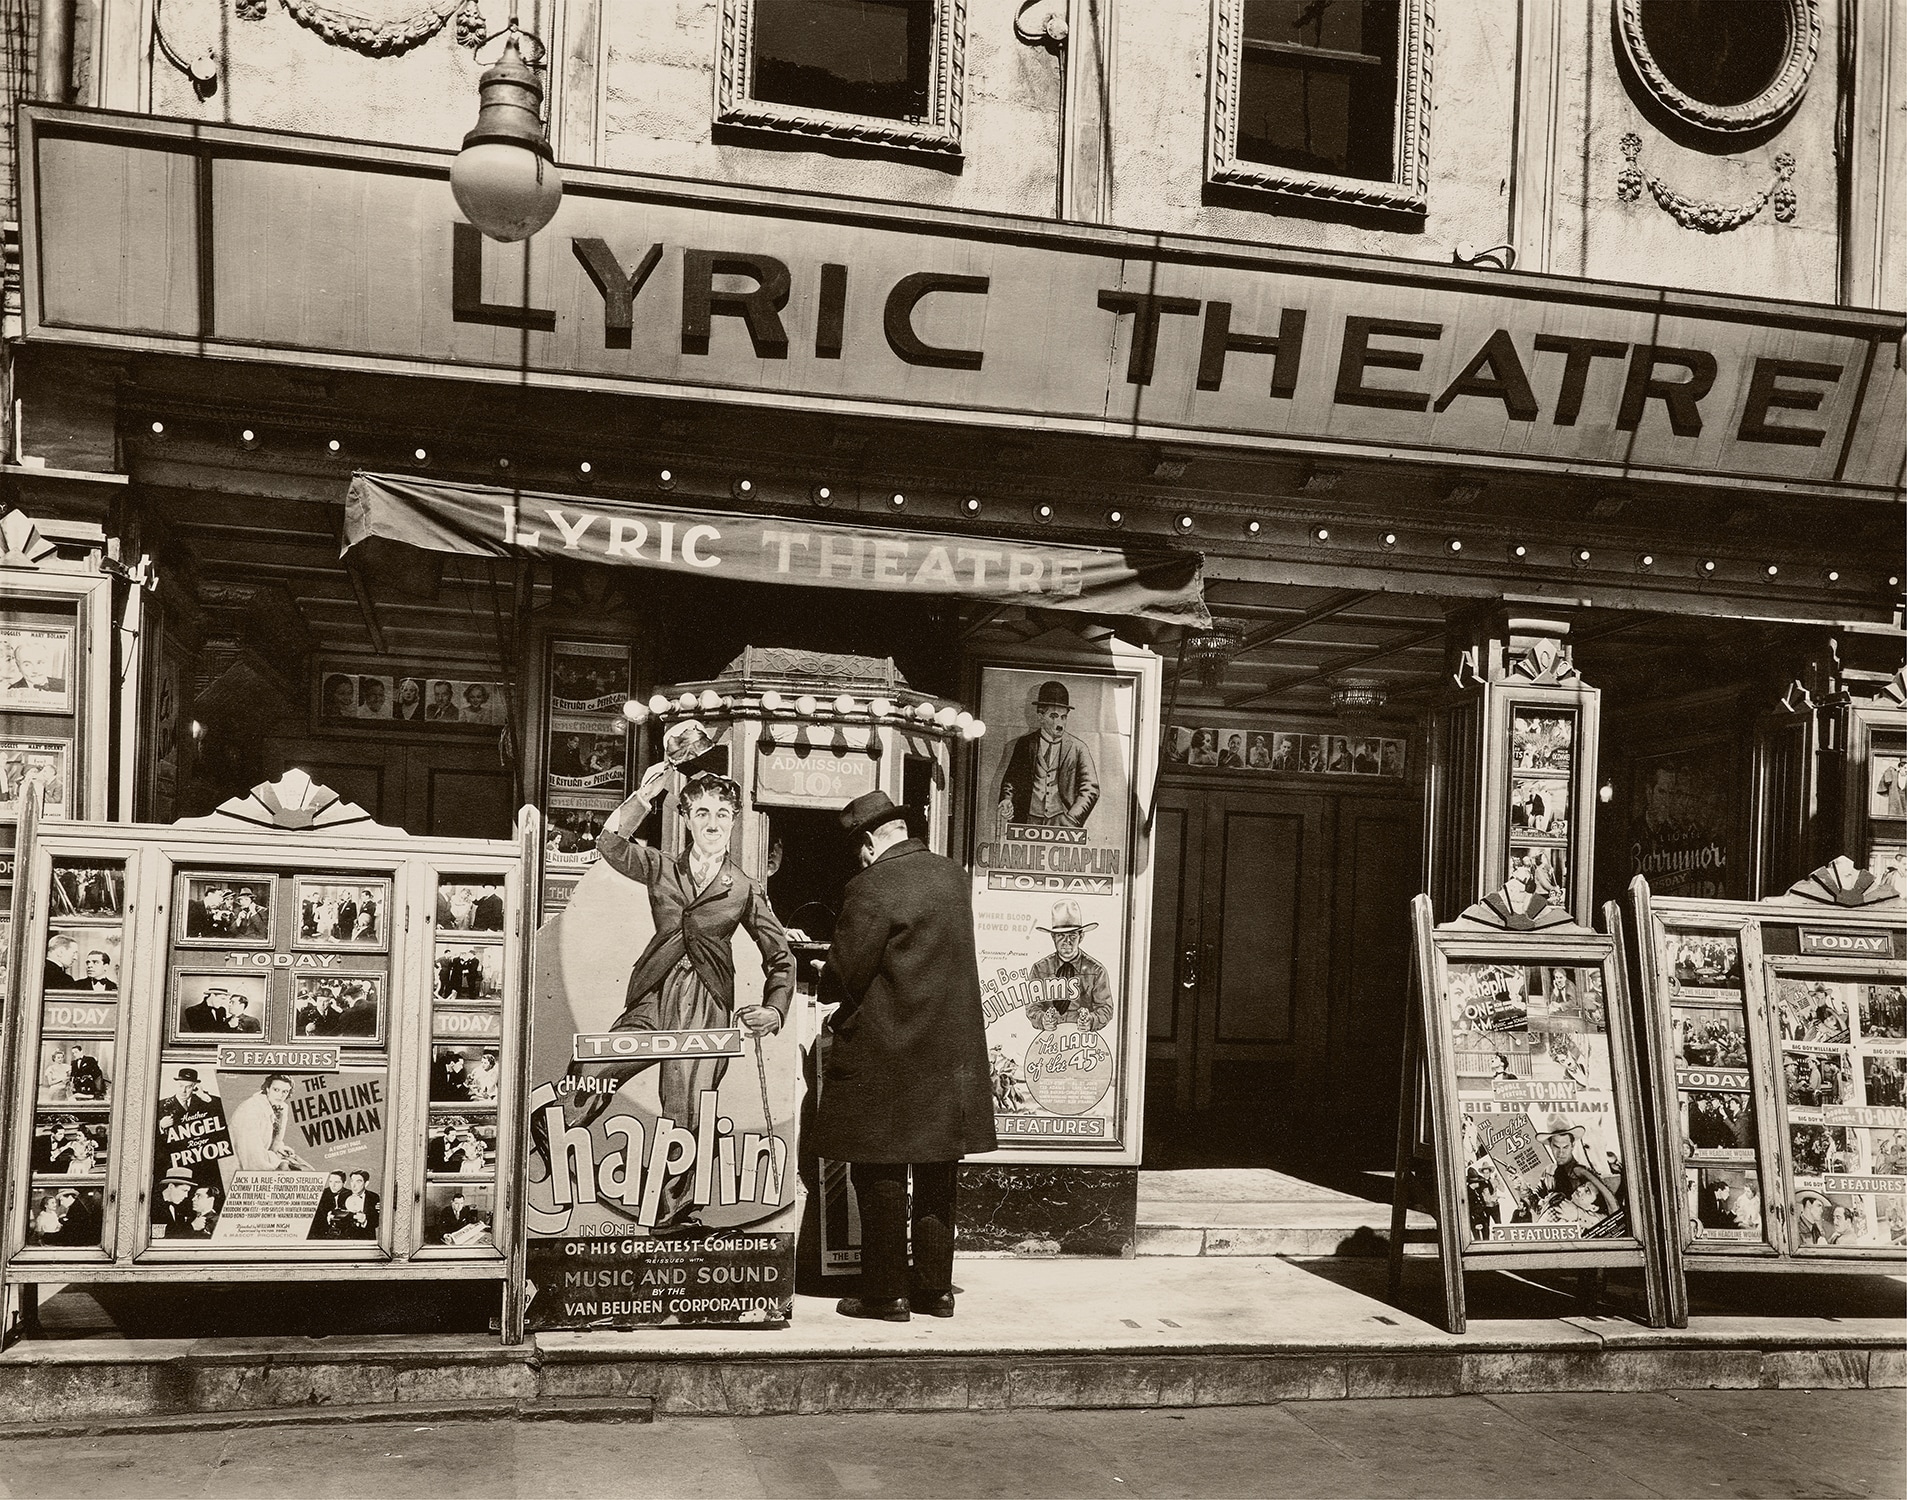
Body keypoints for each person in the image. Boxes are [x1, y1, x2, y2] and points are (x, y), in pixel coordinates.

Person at [543, 758, 794, 1234]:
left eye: (722, 813)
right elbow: (610, 845)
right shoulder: (660, 867)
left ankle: (672, 1217)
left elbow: (781, 956)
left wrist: (774, 1009)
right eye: (702, 812)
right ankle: (553, 1137)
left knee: (688, 1111)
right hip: (653, 994)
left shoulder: (743, 888)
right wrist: (642, 799)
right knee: (596, 1067)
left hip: (706, 1002)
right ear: (685, 818)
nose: (712, 823)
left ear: (734, 819)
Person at [812, 790, 997, 1323]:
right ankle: (935, 1291)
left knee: (880, 1173)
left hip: (888, 1055)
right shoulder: (952, 876)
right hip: (950, 1056)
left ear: (868, 843)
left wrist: (827, 985)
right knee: (938, 1172)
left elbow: (845, 975)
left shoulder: (870, 885)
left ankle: (884, 1295)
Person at [995, 681, 1099, 831]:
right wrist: (1006, 799)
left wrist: (1072, 818)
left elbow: (1091, 788)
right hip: (1028, 820)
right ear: (1040, 717)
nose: (1060, 724)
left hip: (1062, 821)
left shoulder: (1078, 748)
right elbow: (1012, 779)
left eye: (1064, 717)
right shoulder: (1025, 744)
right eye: (1054, 716)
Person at [1023, 900, 1114, 1032]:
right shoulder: (1039, 969)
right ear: (1053, 937)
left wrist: (1091, 1020)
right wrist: (1042, 1020)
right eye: (1061, 936)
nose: (1067, 942)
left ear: (1081, 937)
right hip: (1047, 1040)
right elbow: (1032, 1007)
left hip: (1084, 1041)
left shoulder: (1097, 971)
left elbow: (1105, 1008)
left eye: (1072, 935)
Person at [228, 1074, 309, 1171]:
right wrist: (278, 1161)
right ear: (267, 1089)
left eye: (285, 1091)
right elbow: (252, 1157)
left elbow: (273, 1141)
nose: (280, 1095)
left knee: (308, 1169)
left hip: (264, 1159)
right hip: (238, 1166)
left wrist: (278, 1148)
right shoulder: (251, 1109)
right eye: (276, 1090)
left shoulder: (281, 1108)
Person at [334, 1170, 379, 1238]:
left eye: (358, 1181)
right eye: (352, 1181)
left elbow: (376, 1221)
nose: (354, 1185)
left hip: (365, 1238)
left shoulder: (373, 1197)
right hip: (346, 1238)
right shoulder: (343, 1195)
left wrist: (365, 1220)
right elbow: (340, 1217)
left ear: (366, 1183)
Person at [153, 1167, 198, 1234]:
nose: (186, 1196)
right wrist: (192, 1226)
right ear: (171, 1186)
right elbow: (157, 1235)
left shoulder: (176, 1206)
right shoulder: (152, 1204)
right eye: (184, 1190)